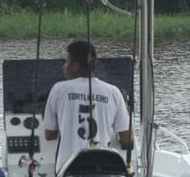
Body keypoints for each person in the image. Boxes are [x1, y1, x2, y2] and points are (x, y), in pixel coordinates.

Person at [44, 41, 132, 169]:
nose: (64, 67)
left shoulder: (58, 89)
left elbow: (50, 134)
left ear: (76, 66)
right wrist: (127, 113)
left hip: (68, 170)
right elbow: (127, 140)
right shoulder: (114, 92)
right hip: (102, 168)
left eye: (66, 62)